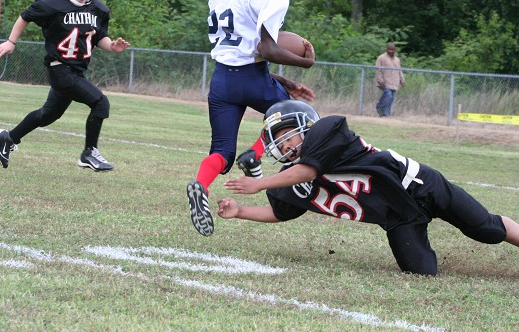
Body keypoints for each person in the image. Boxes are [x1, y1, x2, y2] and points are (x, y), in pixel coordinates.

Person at [219, 100, 519, 276]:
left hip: (421, 186)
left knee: (486, 229)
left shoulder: (329, 129)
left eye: (288, 135)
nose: (284, 144)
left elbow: (309, 169)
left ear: (307, 126)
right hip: (399, 214)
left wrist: (259, 182)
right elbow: (281, 212)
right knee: (421, 272)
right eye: (279, 140)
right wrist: (240, 211)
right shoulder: (292, 176)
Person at [187, 0, 316, 237]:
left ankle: (200, 185)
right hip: (253, 78)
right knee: (302, 120)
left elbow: (241, 52)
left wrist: (284, 81)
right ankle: (256, 154)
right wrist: (306, 62)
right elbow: (267, 49)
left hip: (222, 80)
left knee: (221, 150)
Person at [0, 0, 130, 171]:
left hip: (76, 70)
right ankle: (88, 153)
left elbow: (98, 38)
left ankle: (9, 137)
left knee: (47, 115)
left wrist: (112, 46)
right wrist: (11, 42)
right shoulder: (51, 4)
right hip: (59, 69)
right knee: (101, 103)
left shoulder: (98, 9)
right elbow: (24, 17)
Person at [375, 43, 405, 117]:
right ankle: (379, 107)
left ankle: (385, 114)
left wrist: (402, 80)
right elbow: (378, 70)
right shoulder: (381, 58)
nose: (391, 51)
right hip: (385, 82)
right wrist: (381, 81)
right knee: (388, 96)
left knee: (391, 99)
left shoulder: (397, 59)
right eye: (389, 49)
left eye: (392, 50)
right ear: (386, 49)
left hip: (394, 83)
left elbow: (399, 70)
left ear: (395, 50)